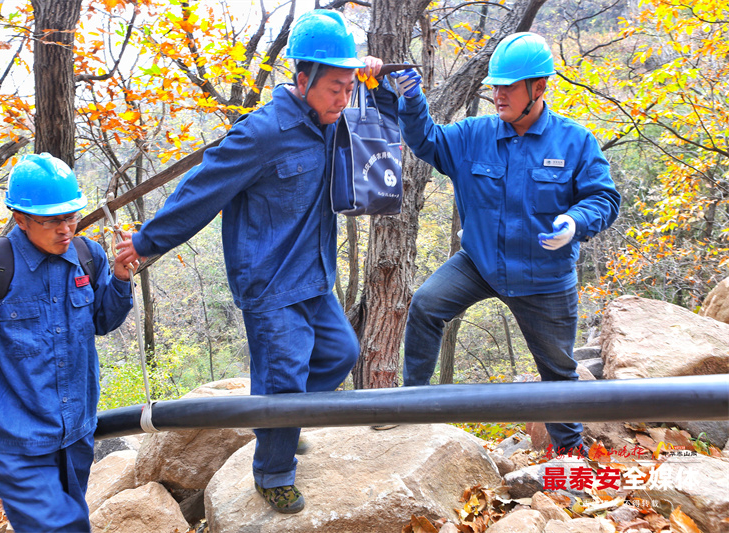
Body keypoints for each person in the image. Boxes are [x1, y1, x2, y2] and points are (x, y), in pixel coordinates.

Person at [115, 9, 397, 514]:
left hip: (313, 275)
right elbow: (201, 190)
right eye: (335, 86)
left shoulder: (331, 118)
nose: (344, 97)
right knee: (285, 374)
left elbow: (376, 121)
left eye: (349, 87)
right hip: (268, 284)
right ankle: (273, 470)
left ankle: (278, 422)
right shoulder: (262, 133)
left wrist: (368, 76)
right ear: (302, 78)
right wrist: (147, 242)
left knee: (339, 354)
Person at [389, 32, 620, 454]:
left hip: (544, 277)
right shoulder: (475, 134)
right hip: (479, 262)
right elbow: (427, 142)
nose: (498, 94)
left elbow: (604, 197)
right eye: (495, 86)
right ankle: (411, 404)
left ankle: (570, 460)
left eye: (508, 86)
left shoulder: (574, 141)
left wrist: (574, 221)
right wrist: (410, 101)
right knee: (425, 305)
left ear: (539, 88)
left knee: (559, 374)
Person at [0, 153, 135, 532]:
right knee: (64, 528)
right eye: (51, 220)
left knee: (68, 521)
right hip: (16, 440)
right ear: (20, 219)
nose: (65, 229)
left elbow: (103, 321)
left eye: (71, 217)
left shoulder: (89, 256)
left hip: (75, 434)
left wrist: (121, 280)